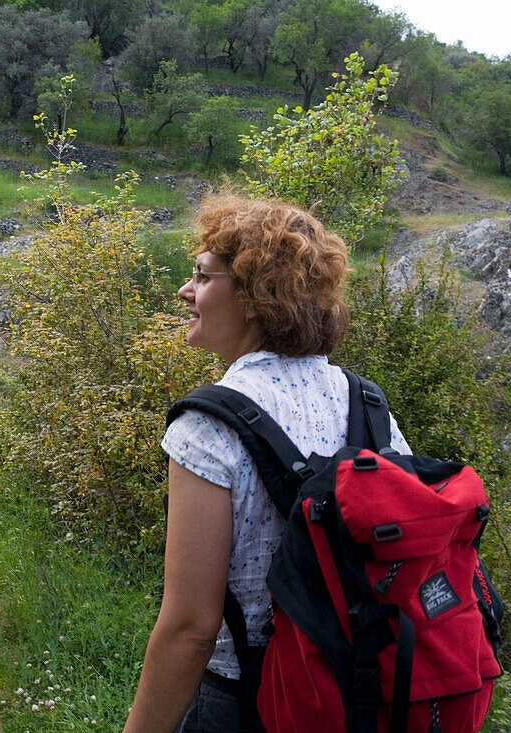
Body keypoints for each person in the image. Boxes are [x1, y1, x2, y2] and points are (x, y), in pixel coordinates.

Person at [123, 196, 412, 732]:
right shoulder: (366, 405)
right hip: (355, 694)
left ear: (255, 298)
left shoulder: (208, 427)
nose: (186, 291)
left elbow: (191, 629)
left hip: (245, 700)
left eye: (202, 277)